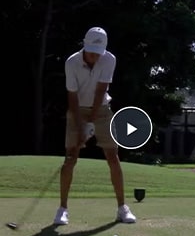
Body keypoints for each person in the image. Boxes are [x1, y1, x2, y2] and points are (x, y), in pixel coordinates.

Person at [53, 27, 136, 225]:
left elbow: (100, 92)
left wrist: (91, 123)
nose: (94, 56)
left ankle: (122, 208)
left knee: (112, 156)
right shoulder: (71, 62)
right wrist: (81, 124)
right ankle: (62, 209)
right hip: (77, 109)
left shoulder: (109, 59)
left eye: (97, 53)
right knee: (70, 158)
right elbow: (72, 97)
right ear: (84, 46)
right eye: (91, 52)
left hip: (102, 110)